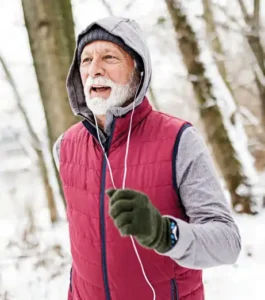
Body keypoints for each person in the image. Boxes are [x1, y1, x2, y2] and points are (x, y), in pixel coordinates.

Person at [53, 16, 241, 300]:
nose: (94, 69)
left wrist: (165, 233)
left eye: (109, 57)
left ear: (138, 71)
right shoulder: (65, 147)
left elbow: (228, 243)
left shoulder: (179, 140)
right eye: (86, 60)